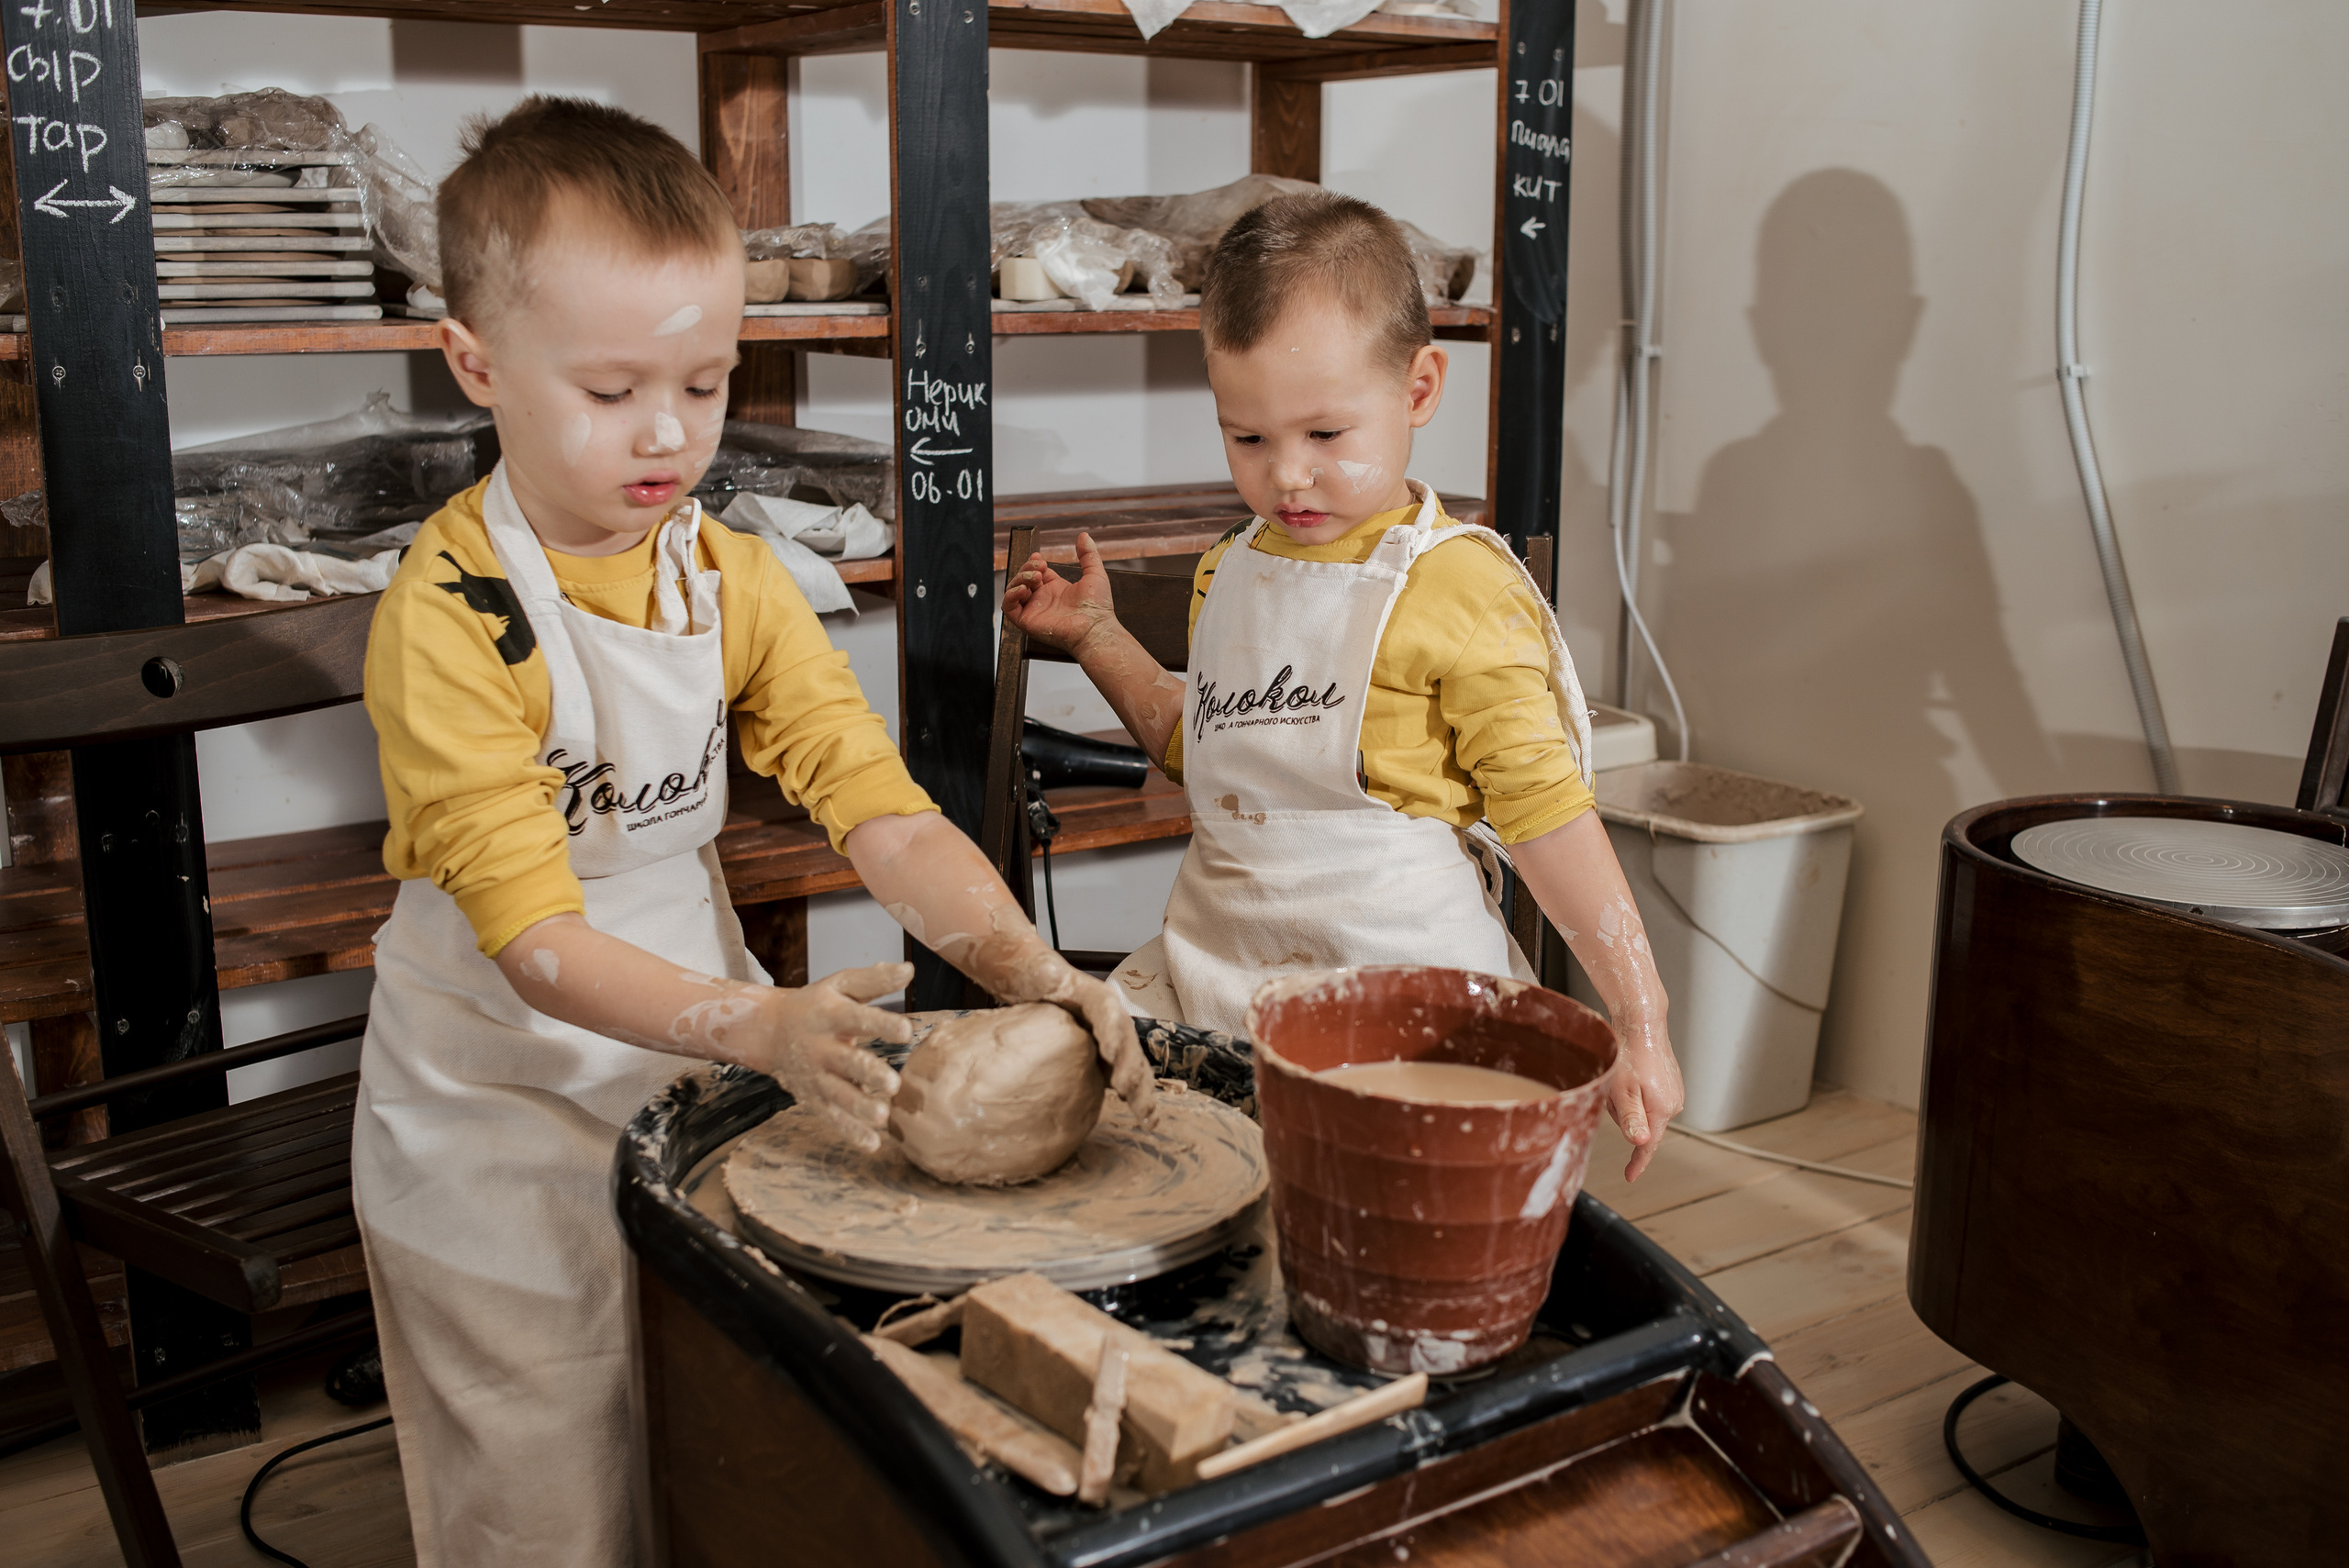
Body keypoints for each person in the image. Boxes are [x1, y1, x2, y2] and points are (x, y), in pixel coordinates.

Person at [353, 97, 1151, 1567]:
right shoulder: (452, 617)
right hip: (495, 1093)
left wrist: (1024, 963)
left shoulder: (737, 580)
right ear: (475, 365)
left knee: (710, 1424)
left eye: (708, 383)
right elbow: (533, 943)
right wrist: (766, 1027)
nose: (670, 434)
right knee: (550, 1482)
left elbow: (880, 812)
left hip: (693, 1038)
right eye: (611, 392)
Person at [1004, 190, 1684, 1179]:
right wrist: (1098, 636)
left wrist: (1640, 1015)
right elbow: (1206, 744)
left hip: (1397, 1008)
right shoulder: (1232, 563)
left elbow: (1548, 823)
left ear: (1417, 390)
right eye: (1247, 437)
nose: (1286, 477)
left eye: (1324, 435)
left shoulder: (1455, 588)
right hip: (1216, 983)